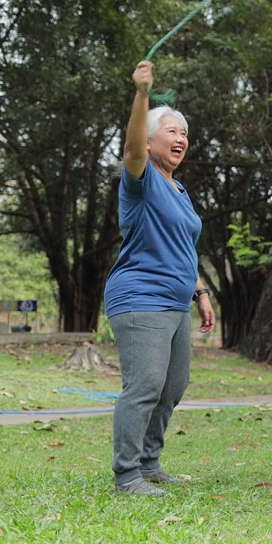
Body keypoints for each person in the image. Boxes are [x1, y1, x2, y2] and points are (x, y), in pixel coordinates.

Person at [103, 60, 215, 497]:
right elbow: (129, 151)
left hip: (175, 302)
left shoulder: (179, 190)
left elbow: (185, 246)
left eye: (184, 133)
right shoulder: (141, 179)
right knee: (145, 385)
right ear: (149, 141)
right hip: (139, 297)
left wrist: (201, 291)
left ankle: (149, 463)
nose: (180, 138)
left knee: (172, 386)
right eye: (171, 131)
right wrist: (142, 95)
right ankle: (126, 475)